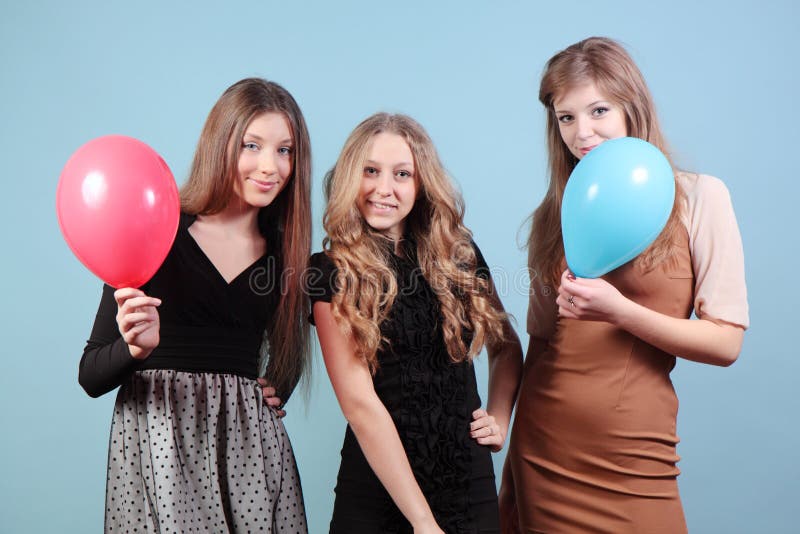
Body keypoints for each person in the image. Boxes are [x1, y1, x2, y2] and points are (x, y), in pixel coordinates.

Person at [499, 37, 750, 533]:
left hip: (637, 455)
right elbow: (542, 341)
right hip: (544, 451)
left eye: (599, 110)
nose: (582, 132)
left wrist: (620, 311)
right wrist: (510, 459)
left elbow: (727, 343)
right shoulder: (557, 213)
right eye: (566, 117)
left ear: (632, 107)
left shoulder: (698, 197)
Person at [78, 78, 312, 533]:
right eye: (251, 145)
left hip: (251, 457)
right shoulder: (154, 229)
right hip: (161, 450)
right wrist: (135, 349)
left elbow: (289, 352)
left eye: (285, 150)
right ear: (220, 143)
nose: (271, 166)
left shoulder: (287, 255)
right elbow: (90, 375)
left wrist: (274, 387)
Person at [307, 112, 523, 533]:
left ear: (421, 184)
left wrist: (499, 417)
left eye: (401, 174)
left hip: (466, 484)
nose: (383, 188)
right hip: (379, 490)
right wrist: (423, 523)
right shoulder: (330, 271)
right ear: (350, 176)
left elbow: (506, 345)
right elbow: (360, 405)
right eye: (370, 171)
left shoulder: (458, 255)